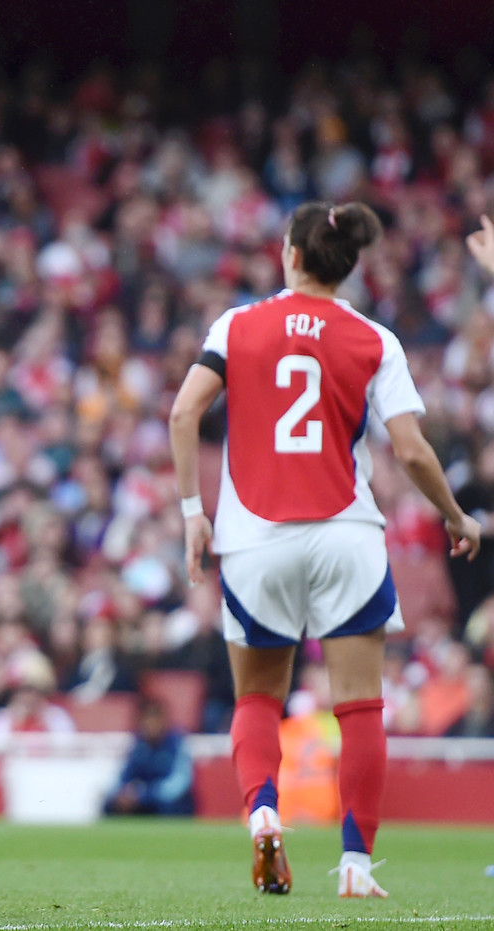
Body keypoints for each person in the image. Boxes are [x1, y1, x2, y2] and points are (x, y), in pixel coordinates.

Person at [169, 200, 482, 899]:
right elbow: (410, 449)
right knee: (360, 707)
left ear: (290, 255)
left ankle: (262, 813)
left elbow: (185, 410)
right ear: (348, 264)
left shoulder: (236, 325)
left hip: (253, 536)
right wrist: (456, 515)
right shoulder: (375, 338)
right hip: (346, 532)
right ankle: (355, 865)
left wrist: (195, 512)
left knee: (257, 695)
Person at [102, 698, 194, 817]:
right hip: (142, 798)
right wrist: (124, 793)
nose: (151, 724)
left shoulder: (177, 743)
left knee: (167, 807)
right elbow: (125, 775)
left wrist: (146, 794)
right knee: (110, 805)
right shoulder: (138, 744)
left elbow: (179, 783)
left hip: (165, 800)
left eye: (155, 719)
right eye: (147, 719)